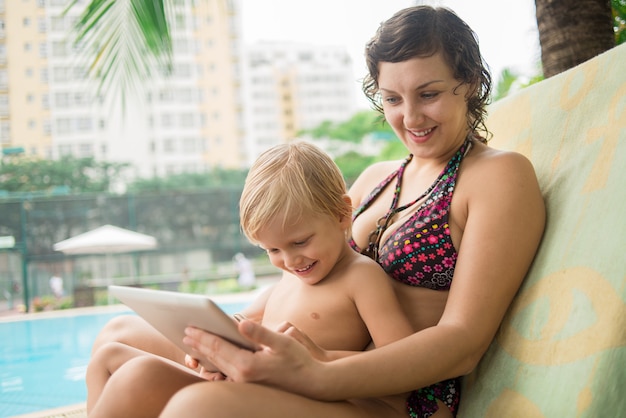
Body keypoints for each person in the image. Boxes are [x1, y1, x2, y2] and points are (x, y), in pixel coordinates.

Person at [88, 5, 545, 417]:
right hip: (322, 376)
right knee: (130, 364)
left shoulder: (496, 176)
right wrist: (231, 340)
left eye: (428, 94)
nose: (410, 117)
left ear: (468, 82)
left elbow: (462, 342)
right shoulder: (376, 179)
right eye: (391, 99)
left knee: (197, 407)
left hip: (396, 399)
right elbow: (306, 275)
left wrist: (316, 371)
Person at [86, 141, 415, 416]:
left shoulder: (360, 277)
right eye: (272, 249)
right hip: (246, 378)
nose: (289, 260)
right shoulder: (291, 279)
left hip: (303, 397)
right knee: (109, 352)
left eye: (300, 242)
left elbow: (401, 361)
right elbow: (242, 322)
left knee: (137, 376)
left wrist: (319, 357)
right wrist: (206, 351)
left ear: (343, 214)